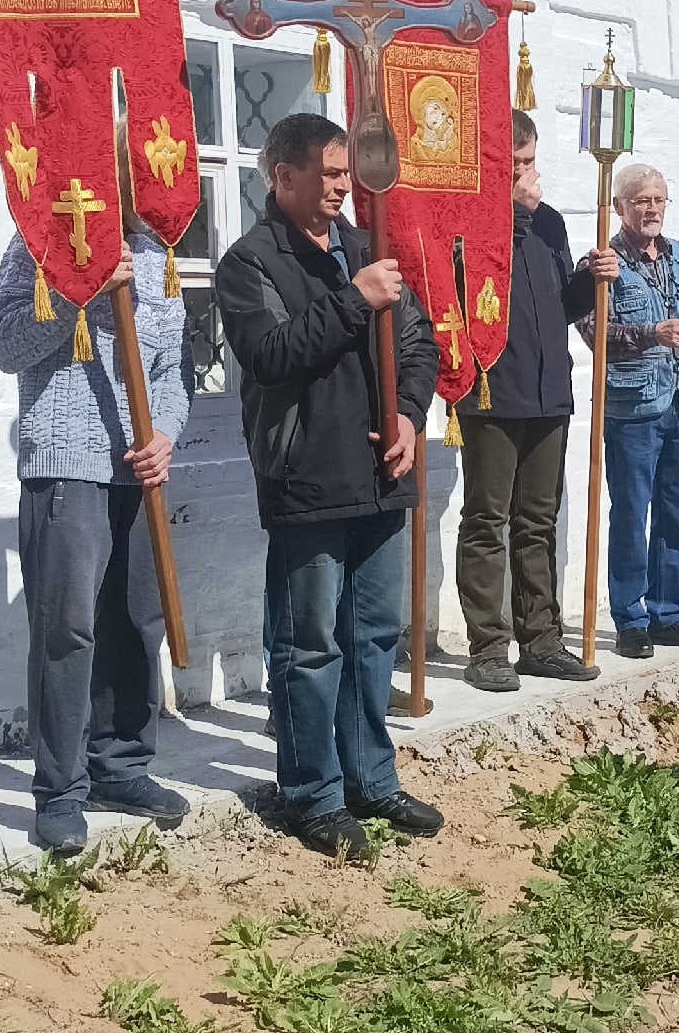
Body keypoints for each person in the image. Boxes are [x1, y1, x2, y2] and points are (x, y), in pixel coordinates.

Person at [215, 113, 442, 860]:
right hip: (306, 480)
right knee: (309, 646)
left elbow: (418, 345)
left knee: (372, 637)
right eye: (331, 174)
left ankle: (369, 778)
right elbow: (273, 354)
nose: (345, 187)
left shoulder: (365, 250)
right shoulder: (250, 262)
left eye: (349, 174)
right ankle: (311, 793)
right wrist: (355, 300)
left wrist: (409, 417)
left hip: (382, 476)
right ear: (284, 177)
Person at [0, 167, 192, 856]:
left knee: (138, 619)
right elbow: (5, 345)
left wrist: (164, 432)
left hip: (138, 463)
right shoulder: (38, 240)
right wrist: (77, 295)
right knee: (67, 629)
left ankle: (123, 767)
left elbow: (175, 369)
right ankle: (60, 789)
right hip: (67, 460)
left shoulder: (158, 251)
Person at [452, 111, 619, 692]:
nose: (529, 172)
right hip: (494, 391)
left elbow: (559, 306)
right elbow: (474, 288)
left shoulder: (548, 222)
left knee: (538, 522)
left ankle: (541, 640)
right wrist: (514, 214)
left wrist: (589, 279)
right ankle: (489, 646)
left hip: (550, 390)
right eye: (517, 163)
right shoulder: (470, 220)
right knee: (486, 521)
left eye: (530, 160)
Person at [584, 164, 679, 661]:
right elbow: (593, 333)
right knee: (630, 513)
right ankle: (631, 617)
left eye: (659, 200)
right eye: (641, 200)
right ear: (620, 206)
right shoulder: (601, 262)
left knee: (676, 513)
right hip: (633, 408)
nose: (652, 209)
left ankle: (669, 613)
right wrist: (651, 335)